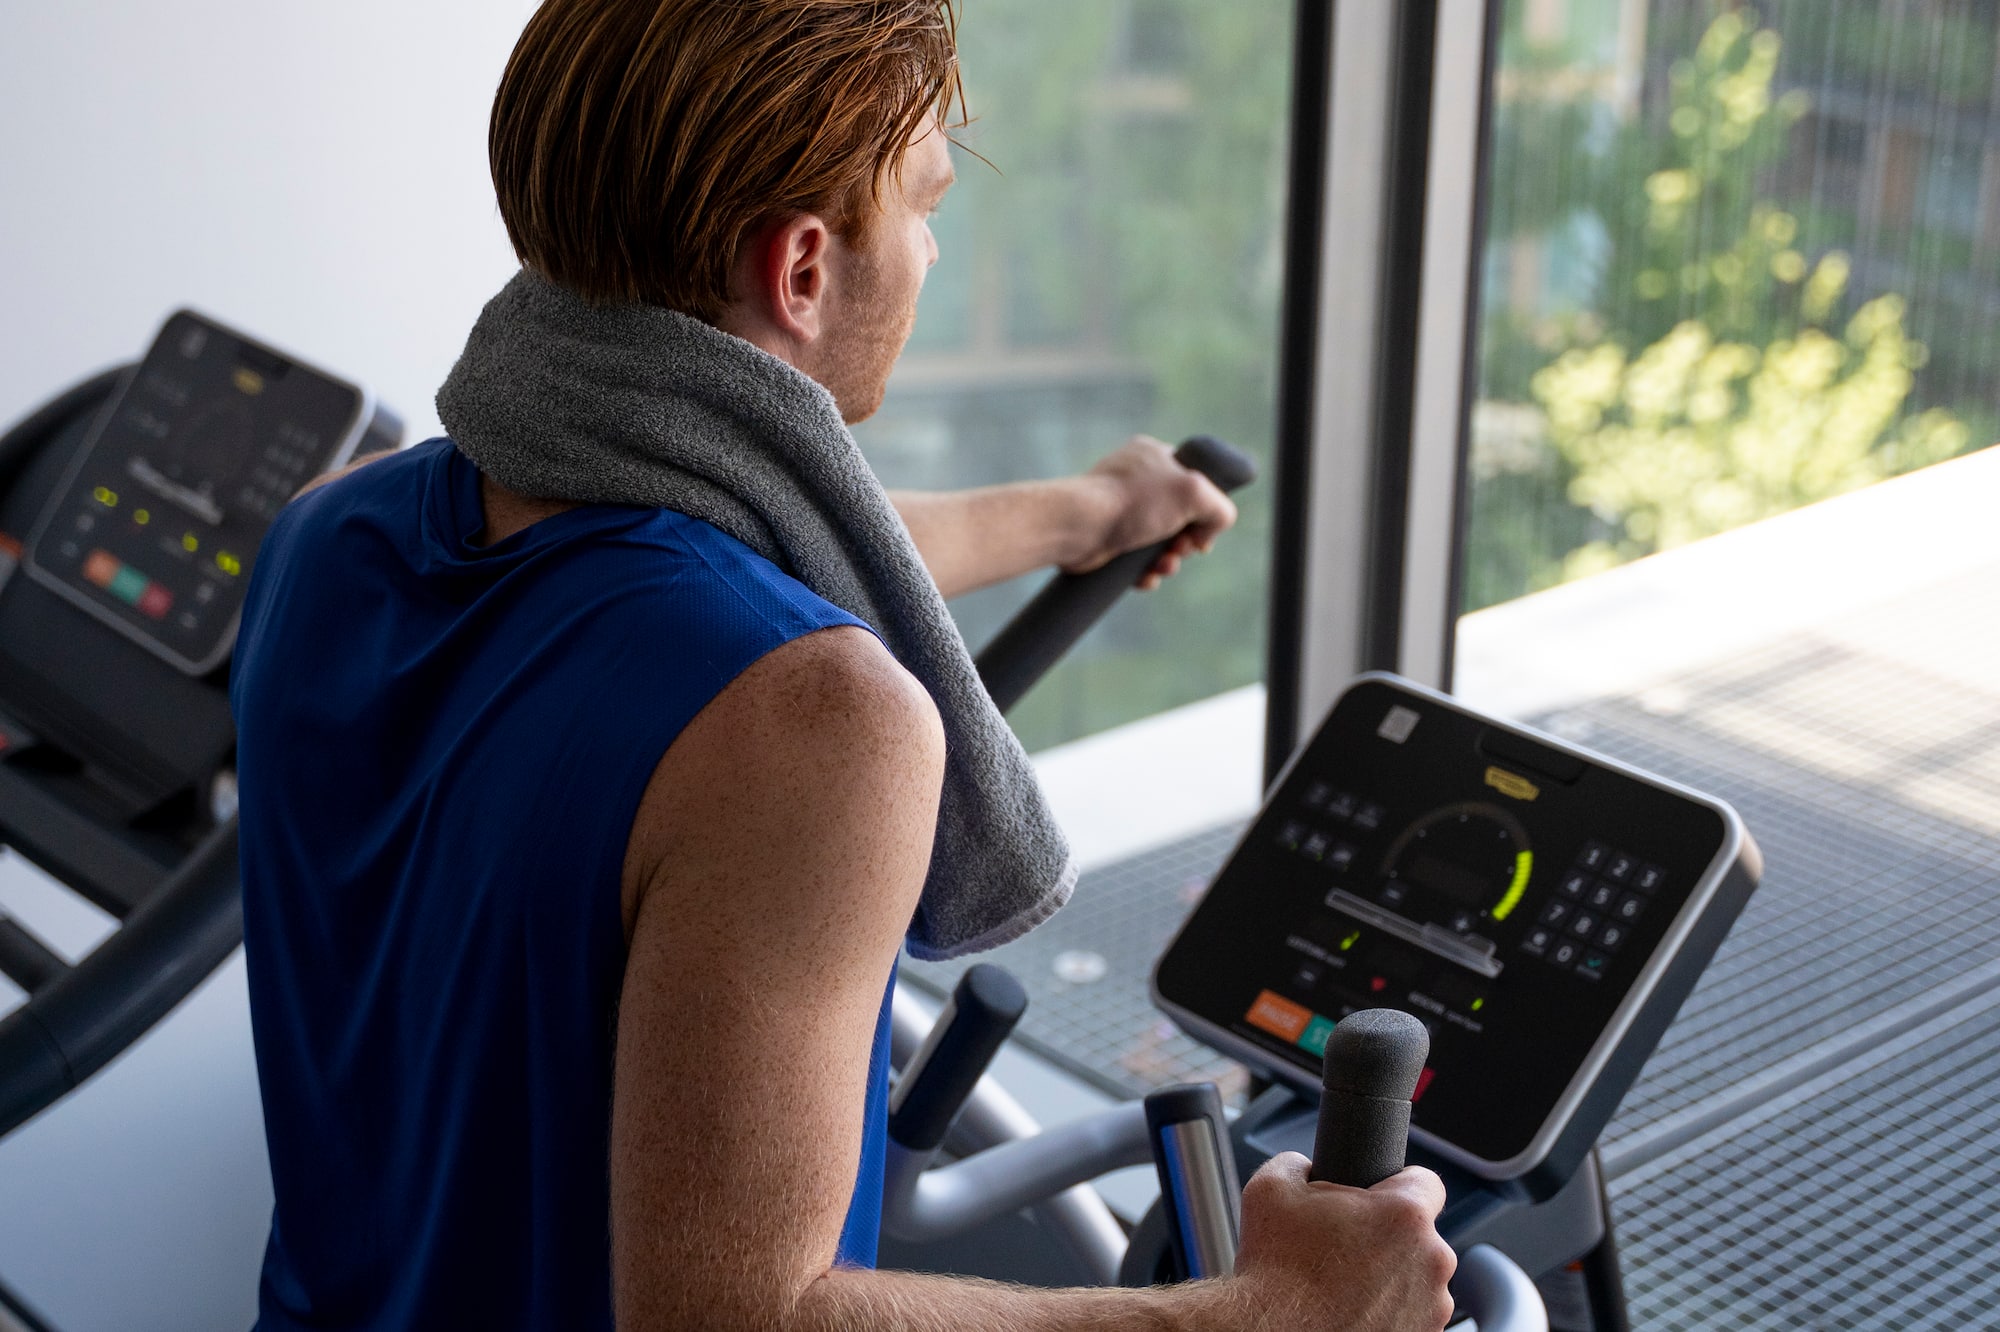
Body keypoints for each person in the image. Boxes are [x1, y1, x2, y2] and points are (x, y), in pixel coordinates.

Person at [231, 1, 1456, 1328]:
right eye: (924, 206)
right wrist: (1270, 1312)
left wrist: (1085, 513)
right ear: (804, 269)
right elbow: (737, 1319)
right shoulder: (812, 718)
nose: (930, 251)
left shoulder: (329, 535)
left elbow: (733, 541)